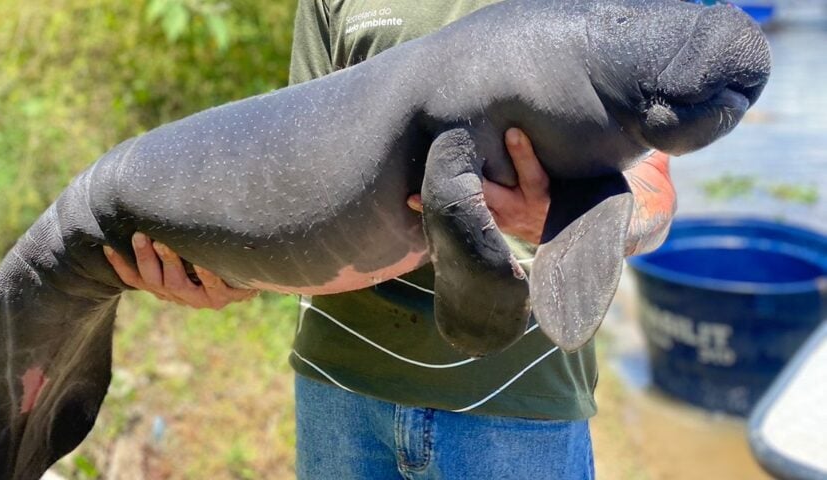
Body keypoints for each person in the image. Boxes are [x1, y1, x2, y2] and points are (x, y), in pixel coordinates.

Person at [103, 1, 676, 477]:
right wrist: (227, 271)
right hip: (339, 395)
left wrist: (567, 220)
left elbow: (654, 184)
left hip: (515, 411)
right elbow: (297, 181)